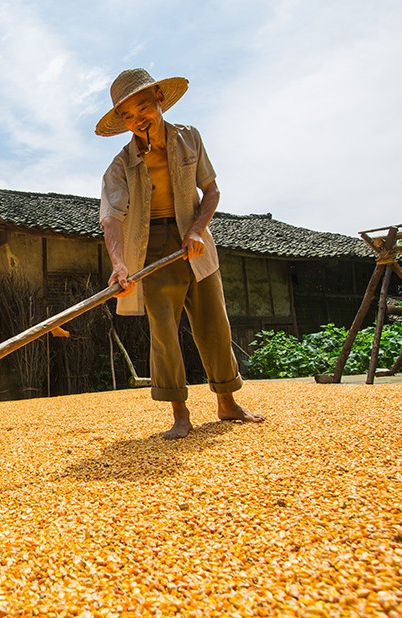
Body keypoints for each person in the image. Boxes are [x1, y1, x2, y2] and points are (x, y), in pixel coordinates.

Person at [96, 68, 264, 438]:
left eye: (143, 107)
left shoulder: (190, 139)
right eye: (128, 115)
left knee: (214, 324)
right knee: (164, 331)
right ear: (123, 122)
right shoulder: (119, 167)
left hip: (195, 240)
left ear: (159, 98)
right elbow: (111, 219)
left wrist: (195, 229)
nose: (139, 119)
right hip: (151, 246)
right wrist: (120, 264)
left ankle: (227, 403)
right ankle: (180, 413)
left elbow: (212, 191)